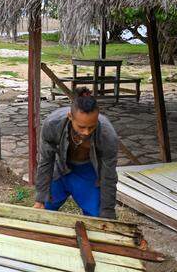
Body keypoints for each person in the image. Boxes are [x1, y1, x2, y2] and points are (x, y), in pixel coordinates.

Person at [33, 88, 120, 219]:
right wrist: (40, 198)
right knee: (43, 212)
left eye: (91, 126)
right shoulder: (52, 124)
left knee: (97, 217)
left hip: (87, 171)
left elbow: (109, 175)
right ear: (70, 117)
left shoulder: (107, 135)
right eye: (81, 127)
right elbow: (46, 161)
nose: (86, 132)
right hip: (60, 168)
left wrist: (107, 212)